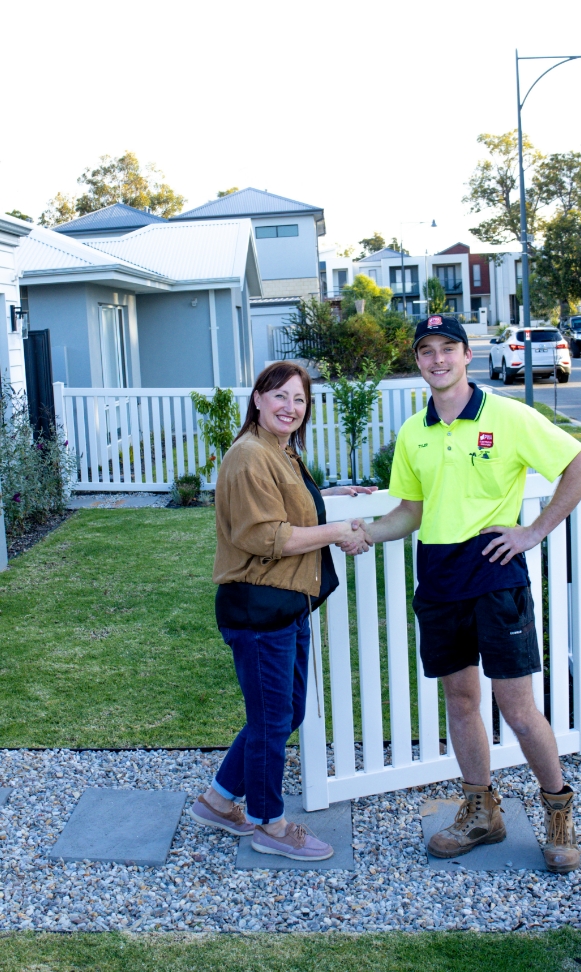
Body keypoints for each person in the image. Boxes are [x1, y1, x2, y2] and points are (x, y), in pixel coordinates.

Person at [357, 315, 581, 873]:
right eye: (426, 351)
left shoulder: (508, 416)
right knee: (462, 701)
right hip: (440, 580)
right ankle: (481, 813)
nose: (437, 359)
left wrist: (532, 531)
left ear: (468, 355)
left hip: (495, 577)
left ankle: (558, 813)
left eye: (448, 349)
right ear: (417, 361)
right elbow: (410, 513)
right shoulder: (413, 433)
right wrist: (365, 532)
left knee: (516, 709)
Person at [190, 361, 372, 861]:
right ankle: (270, 824)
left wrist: (331, 498)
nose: (290, 408)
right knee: (272, 721)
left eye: (300, 400)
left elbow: (288, 507)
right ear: (257, 399)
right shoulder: (249, 455)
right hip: (258, 609)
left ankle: (219, 798)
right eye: (280, 397)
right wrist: (338, 532)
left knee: (283, 711)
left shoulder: (280, 451)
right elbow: (266, 534)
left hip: (286, 604)